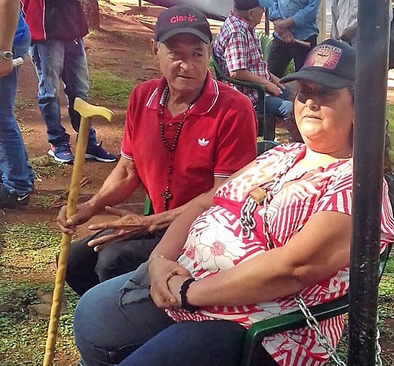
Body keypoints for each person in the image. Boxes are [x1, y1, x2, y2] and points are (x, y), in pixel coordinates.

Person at [73, 39, 394, 366]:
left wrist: (190, 292)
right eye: (304, 92)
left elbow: (293, 268)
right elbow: (204, 202)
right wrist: (159, 260)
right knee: (92, 316)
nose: (309, 103)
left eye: (325, 94)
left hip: (267, 324)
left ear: (361, 107)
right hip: (195, 288)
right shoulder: (282, 155)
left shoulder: (358, 187)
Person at [57, 5, 258, 297]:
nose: (186, 65)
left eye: (197, 54)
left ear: (209, 53)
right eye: (175, 53)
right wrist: (89, 207)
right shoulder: (143, 96)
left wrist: (148, 223)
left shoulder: (233, 108)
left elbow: (221, 196)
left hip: (204, 230)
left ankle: (129, 325)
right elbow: (127, 170)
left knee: (112, 262)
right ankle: (111, 323)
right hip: (157, 224)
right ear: (155, 50)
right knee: (75, 260)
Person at [21, 0, 116, 164]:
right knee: (50, 93)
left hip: (73, 29)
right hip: (45, 33)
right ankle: (57, 143)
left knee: (79, 91)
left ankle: (87, 143)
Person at [213, 0, 293, 119]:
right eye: (262, 9)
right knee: (292, 108)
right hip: (251, 96)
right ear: (251, 13)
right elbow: (236, 72)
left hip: (259, 89)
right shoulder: (237, 32)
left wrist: (272, 78)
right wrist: (267, 84)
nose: (264, 12)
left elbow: (253, 66)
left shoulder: (244, 26)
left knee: (298, 95)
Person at [0, 0, 34, 209]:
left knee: (1, 118)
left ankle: (17, 188)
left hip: (5, 41)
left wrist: (4, 52)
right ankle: (20, 176)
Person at [267, 0, 319, 78]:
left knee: (305, 79)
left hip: (305, 37)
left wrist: (286, 23)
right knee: (271, 75)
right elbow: (271, 2)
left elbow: (312, 8)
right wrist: (282, 29)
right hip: (280, 37)